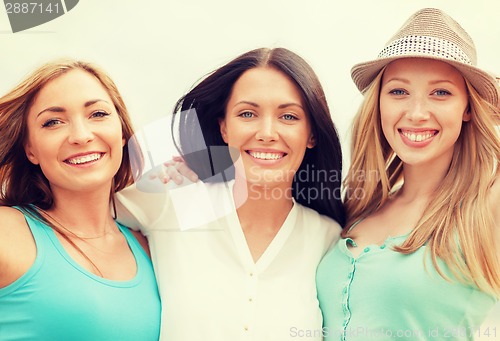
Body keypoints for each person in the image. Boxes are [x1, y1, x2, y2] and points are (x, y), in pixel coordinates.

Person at [116, 47, 345, 341]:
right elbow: (76, 211)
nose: (267, 133)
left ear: (312, 134)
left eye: (288, 116)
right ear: (223, 128)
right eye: (247, 113)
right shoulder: (172, 198)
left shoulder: (327, 239)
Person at [316, 8, 499, 341]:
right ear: (379, 103)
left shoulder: (486, 204)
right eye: (399, 91)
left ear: (468, 108)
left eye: (440, 92)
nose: (416, 113)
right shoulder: (360, 207)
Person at [0, 59, 161, 340]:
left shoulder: (149, 246)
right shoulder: (8, 232)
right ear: (30, 150)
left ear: (122, 133)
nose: (81, 136)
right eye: (53, 122)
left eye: (98, 114)